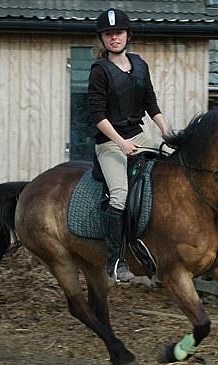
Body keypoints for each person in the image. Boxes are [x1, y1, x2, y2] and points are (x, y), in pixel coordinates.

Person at [88, 8, 170, 282]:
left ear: (127, 35)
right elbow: (97, 116)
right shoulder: (100, 71)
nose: (114, 38)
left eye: (118, 33)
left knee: (173, 162)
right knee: (120, 194)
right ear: (102, 39)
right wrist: (121, 143)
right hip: (110, 142)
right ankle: (115, 259)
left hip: (139, 134)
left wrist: (165, 130)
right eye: (109, 34)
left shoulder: (140, 65)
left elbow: (151, 103)